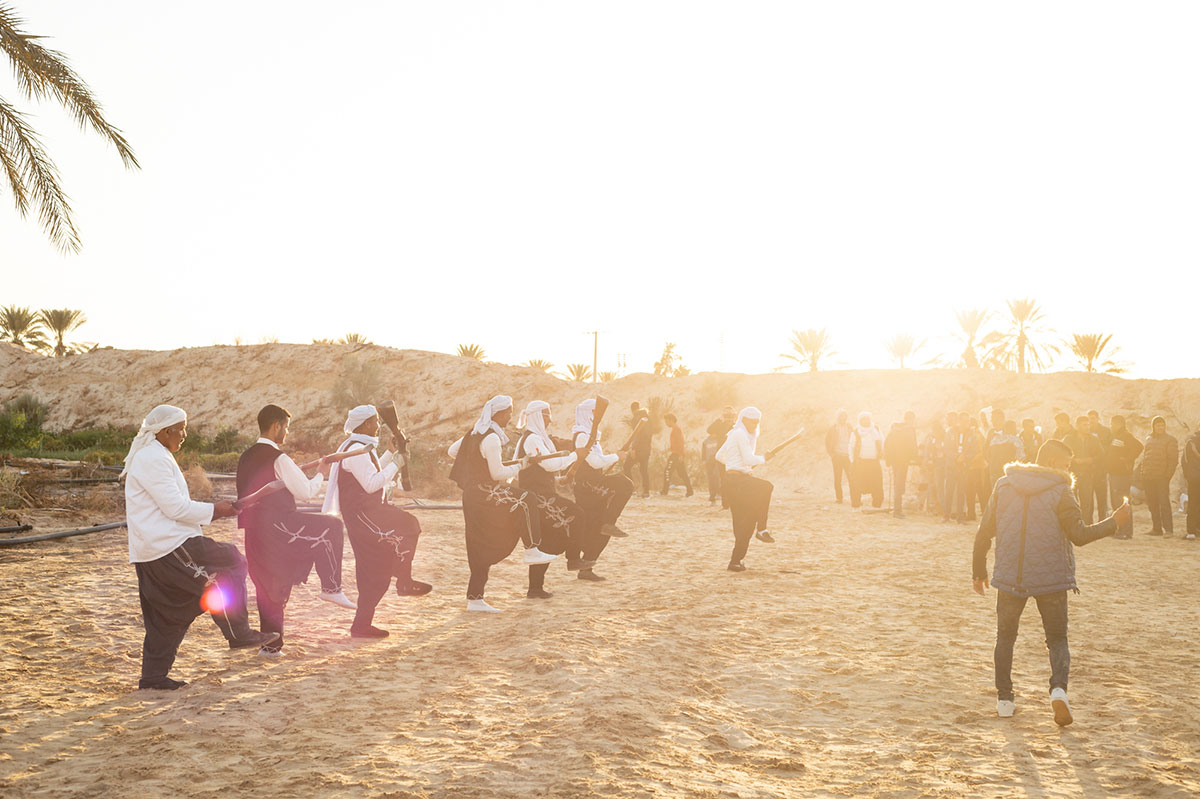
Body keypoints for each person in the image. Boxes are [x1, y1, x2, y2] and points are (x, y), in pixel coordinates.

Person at [972, 438, 1131, 726]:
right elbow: (1079, 536)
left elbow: (985, 530)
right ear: (1056, 463)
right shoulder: (1061, 490)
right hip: (1053, 578)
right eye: (1067, 465)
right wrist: (1114, 522)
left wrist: (978, 570)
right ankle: (1058, 690)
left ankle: (1004, 700)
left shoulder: (1004, 484)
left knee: (1005, 638)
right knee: (1057, 639)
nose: (1070, 470)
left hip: (1010, 576)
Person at [124, 404, 278, 690]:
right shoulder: (152, 458)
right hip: (168, 545)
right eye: (180, 428)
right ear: (165, 430)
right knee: (231, 561)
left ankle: (153, 678)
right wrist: (216, 510)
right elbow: (174, 507)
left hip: (153, 549)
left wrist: (218, 510)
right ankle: (238, 633)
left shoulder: (155, 455)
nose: (184, 434)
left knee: (167, 615)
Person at [236, 404, 354, 656]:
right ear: (276, 426)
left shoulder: (245, 456)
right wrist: (321, 473)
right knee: (331, 526)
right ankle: (331, 588)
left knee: (270, 584)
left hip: (253, 532)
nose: (287, 433)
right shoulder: (279, 458)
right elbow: (307, 492)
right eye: (286, 427)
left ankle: (271, 647)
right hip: (278, 526)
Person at [323, 405, 430, 638]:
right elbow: (372, 483)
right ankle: (404, 581)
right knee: (409, 525)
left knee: (374, 572)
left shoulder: (360, 448)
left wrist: (391, 454)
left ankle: (361, 626)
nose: (378, 426)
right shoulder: (357, 450)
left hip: (366, 513)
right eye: (374, 422)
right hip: (363, 515)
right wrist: (397, 464)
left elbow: (371, 473)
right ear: (364, 425)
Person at [448, 396, 556, 613]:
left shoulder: (475, 432)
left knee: (477, 544)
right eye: (508, 413)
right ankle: (532, 549)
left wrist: (476, 464)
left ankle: (475, 599)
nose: (510, 417)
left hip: (471, 496)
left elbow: (452, 451)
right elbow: (497, 473)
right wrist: (521, 466)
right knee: (527, 499)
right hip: (487, 492)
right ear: (497, 414)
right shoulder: (492, 438)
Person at [513, 400, 585, 598]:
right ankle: (573, 558)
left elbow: (547, 467)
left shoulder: (537, 438)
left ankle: (535, 588)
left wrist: (560, 477)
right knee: (576, 514)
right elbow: (549, 464)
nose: (550, 418)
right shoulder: (532, 440)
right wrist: (575, 456)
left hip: (542, 495)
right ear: (537, 415)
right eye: (547, 414)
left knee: (548, 542)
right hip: (537, 498)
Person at [570, 398, 634, 582]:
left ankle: (587, 569)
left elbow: (598, 461)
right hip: (587, 487)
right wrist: (616, 456)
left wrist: (614, 457)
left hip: (595, 484)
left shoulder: (591, 436)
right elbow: (595, 462)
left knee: (601, 532)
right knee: (624, 483)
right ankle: (608, 522)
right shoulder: (582, 436)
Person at [716, 407, 776, 571]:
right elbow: (749, 458)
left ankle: (735, 562)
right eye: (751, 420)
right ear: (743, 419)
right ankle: (762, 529)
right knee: (766, 487)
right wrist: (764, 458)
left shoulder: (734, 434)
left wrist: (736, 465)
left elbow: (719, 456)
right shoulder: (740, 434)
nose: (754, 424)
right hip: (737, 481)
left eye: (757, 421)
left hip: (734, 481)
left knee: (746, 521)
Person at [1105, 415, 1142, 540]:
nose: (1111, 427)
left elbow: (1139, 446)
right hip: (1115, 473)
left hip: (1122, 475)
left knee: (1122, 503)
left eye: (1113, 424)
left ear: (1119, 424)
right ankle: (1120, 530)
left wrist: (1127, 459)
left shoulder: (1126, 436)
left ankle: (1126, 531)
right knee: (1116, 503)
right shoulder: (1117, 436)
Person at [1141, 416, 1179, 537]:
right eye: (1158, 425)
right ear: (1153, 426)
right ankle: (1156, 529)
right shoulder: (1149, 439)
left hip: (1162, 477)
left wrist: (1167, 476)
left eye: (1162, 425)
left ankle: (1168, 530)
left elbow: (1173, 460)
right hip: (1148, 476)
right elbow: (1145, 457)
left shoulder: (1170, 440)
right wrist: (1143, 473)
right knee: (1152, 503)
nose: (1160, 427)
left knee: (1164, 503)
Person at [1064, 416, 1104, 523]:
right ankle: (1073, 525)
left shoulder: (1093, 439)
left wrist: (1090, 460)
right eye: (1084, 425)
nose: (1088, 427)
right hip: (1072, 475)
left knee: (1087, 503)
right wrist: (1074, 461)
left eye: (1088, 424)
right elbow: (1063, 454)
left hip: (1087, 475)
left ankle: (1087, 527)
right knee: (1071, 502)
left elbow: (1101, 455)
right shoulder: (1069, 439)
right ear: (1077, 426)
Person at [884, 411, 918, 518]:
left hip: (895, 461)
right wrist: (914, 458)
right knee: (899, 485)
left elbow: (886, 444)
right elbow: (913, 446)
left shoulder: (895, 429)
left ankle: (897, 509)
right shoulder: (910, 430)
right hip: (903, 461)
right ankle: (897, 511)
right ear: (911, 419)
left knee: (897, 484)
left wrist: (888, 460)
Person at [848, 412, 884, 509]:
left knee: (877, 483)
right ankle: (856, 504)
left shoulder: (876, 429)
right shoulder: (856, 431)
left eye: (867, 419)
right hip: (860, 463)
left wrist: (882, 454)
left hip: (874, 462)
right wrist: (852, 461)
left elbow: (882, 442)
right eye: (863, 419)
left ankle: (877, 504)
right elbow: (851, 447)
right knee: (856, 484)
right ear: (860, 421)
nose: (866, 421)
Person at [707, 406, 737, 508]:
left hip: (732, 456)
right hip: (722, 456)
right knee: (724, 479)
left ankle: (731, 501)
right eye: (726, 415)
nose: (728, 418)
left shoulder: (736, 426)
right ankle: (726, 504)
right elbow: (709, 430)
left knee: (732, 479)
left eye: (730, 415)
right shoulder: (720, 425)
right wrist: (719, 420)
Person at [1087, 410, 1113, 524]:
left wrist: (1097, 454)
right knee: (1088, 498)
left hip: (1101, 469)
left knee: (1102, 497)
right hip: (1088, 469)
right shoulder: (1085, 432)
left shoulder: (1106, 432)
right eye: (1089, 419)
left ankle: (1103, 522)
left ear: (1098, 418)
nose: (1091, 421)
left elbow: (1109, 449)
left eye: (1093, 418)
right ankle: (1089, 523)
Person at [660, 413, 694, 497]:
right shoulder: (675, 429)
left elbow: (681, 442)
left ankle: (665, 491)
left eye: (666, 421)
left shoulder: (676, 429)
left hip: (677, 455)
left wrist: (681, 455)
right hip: (677, 454)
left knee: (667, 471)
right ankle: (690, 490)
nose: (666, 423)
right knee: (682, 473)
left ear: (671, 420)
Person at [824, 410, 853, 504]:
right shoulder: (833, 428)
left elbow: (854, 439)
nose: (843, 418)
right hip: (837, 456)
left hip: (848, 456)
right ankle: (839, 498)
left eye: (844, 416)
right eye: (841, 416)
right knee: (838, 478)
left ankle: (854, 497)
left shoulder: (849, 427)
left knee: (852, 477)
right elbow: (827, 442)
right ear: (837, 417)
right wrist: (832, 454)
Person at [624, 405, 653, 498]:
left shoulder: (639, 421)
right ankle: (646, 492)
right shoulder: (649, 422)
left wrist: (633, 449)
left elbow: (637, 436)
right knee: (644, 470)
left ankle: (631, 489)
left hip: (639, 450)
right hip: (647, 450)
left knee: (626, 466)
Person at [1181, 426, 1200, 541]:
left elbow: (1184, 461)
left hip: (1193, 478)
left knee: (1192, 504)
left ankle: (1192, 531)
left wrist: (1187, 475)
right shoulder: (1191, 442)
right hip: (1194, 478)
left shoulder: (1191, 442)